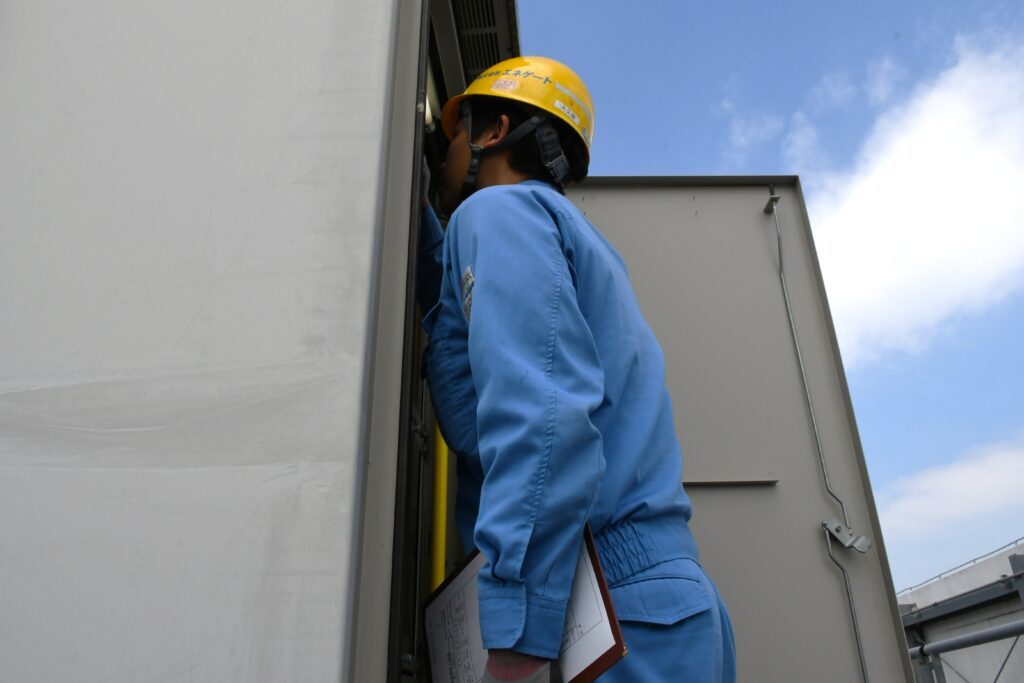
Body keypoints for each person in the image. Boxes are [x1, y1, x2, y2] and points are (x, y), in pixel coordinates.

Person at [418, 56, 736, 683]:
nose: (443, 156)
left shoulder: (498, 213)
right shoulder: (566, 234)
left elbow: (543, 420)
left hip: (604, 612)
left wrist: (515, 637)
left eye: (452, 137)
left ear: (492, 132)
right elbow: (455, 314)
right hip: (652, 612)